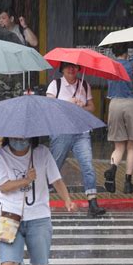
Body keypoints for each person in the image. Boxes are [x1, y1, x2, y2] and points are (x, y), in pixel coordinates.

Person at [0, 137, 78, 265]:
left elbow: (56, 179)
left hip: (39, 218)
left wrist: (67, 200)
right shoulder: (0, 153)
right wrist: (26, 180)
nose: (19, 140)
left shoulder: (42, 152)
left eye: (23, 137)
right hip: (8, 216)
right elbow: (3, 186)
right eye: (15, 136)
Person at [46, 62, 106, 217]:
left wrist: (82, 106)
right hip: (61, 132)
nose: (71, 69)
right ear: (62, 69)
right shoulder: (56, 84)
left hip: (82, 132)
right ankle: (41, 197)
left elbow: (91, 107)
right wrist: (67, 104)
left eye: (74, 66)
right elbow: (48, 106)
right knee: (53, 166)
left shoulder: (84, 85)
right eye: (67, 67)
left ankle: (92, 203)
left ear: (79, 69)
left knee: (87, 166)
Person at [104, 43, 133, 194]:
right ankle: (127, 183)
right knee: (131, 146)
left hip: (114, 104)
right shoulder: (132, 65)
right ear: (126, 52)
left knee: (118, 147)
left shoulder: (110, 66)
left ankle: (112, 170)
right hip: (130, 104)